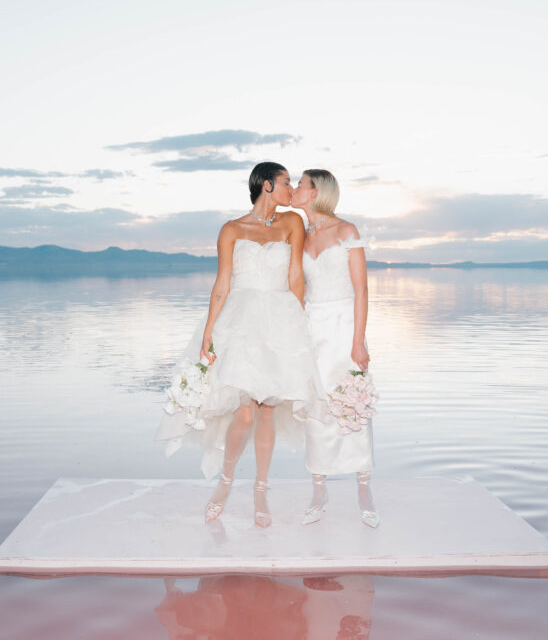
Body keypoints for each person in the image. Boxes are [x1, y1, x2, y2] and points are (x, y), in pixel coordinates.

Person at [156, 162, 325, 527]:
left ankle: (261, 489)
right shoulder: (231, 229)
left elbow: (296, 275)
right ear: (266, 185)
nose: (290, 188)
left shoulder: (292, 223)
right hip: (242, 320)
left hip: (281, 319)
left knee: (268, 409)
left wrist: (299, 322)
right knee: (244, 410)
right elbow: (222, 284)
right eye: (285, 182)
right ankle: (226, 482)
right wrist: (208, 333)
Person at [291, 169, 380, 528]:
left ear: (315, 193)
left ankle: (363, 489)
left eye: (300, 185)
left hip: (343, 327)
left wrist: (358, 342)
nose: (295, 189)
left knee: (351, 404)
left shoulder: (346, 231)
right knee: (316, 405)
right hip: (312, 329)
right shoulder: (301, 234)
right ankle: (319, 490)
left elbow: (361, 290)